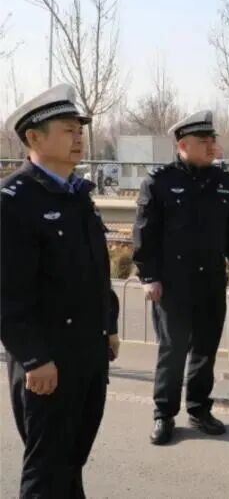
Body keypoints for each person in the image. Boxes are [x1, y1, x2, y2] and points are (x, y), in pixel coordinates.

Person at [1, 84, 120, 498]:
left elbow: (96, 271)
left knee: (71, 463)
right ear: (34, 138)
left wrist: (109, 323)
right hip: (47, 363)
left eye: (79, 129)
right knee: (46, 470)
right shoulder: (13, 201)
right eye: (68, 129)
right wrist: (34, 357)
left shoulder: (77, 194)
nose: (78, 137)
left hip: (88, 354)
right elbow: (7, 293)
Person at [132, 110, 229, 445]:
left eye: (213, 140)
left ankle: (199, 409)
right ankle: (164, 414)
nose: (212, 146)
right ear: (182, 145)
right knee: (173, 350)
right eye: (203, 141)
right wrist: (148, 276)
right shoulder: (159, 182)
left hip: (210, 279)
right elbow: (144, 234)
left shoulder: (223, 182)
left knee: (205, 350)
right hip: (173, 283)